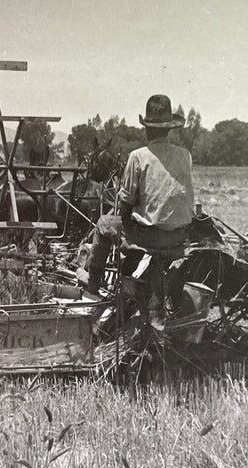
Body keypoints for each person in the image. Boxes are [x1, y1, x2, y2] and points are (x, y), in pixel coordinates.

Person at [86, 94, 195, 330]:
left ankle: (92, 290)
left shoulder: (138, 157)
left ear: (147, 129)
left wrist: (119, 215)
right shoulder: (185, 155)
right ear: (169, 129)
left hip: (149, 238)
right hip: (178, 237)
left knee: (103, 224)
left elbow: (126, 199)